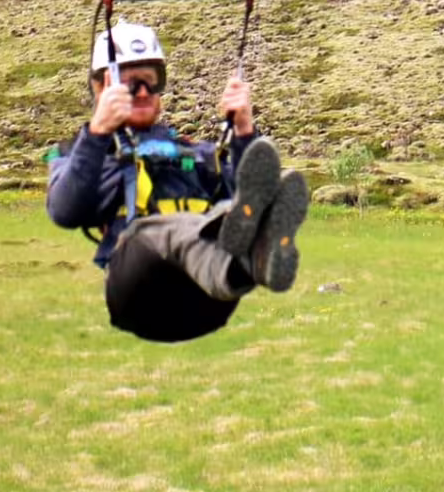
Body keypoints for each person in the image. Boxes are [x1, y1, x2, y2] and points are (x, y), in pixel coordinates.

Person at [46, 20, 309, 343]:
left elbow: (244, 195)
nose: (143, 92)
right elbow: (65, 211)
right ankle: (243, 258)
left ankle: (251, 261)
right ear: (102, 88)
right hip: (140, 292)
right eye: (131, 84)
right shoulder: (84, 153)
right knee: (164, 230)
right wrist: (99, 131)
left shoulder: (195, 152)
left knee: (238, 208)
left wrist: (243, 131)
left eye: (151, 83)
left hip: (207, 303)